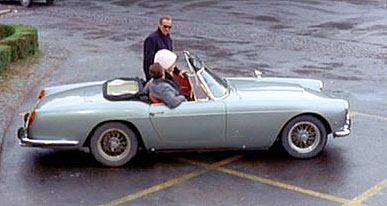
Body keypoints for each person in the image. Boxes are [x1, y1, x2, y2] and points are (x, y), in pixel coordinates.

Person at [143, 16, 176, 81]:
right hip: (155, 74)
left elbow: (170, 60)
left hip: (165, 72)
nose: (167, 29)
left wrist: (178, 71)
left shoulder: (169, 39)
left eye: (169, 27)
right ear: (159, 25)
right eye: (165, 26)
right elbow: (148, 59)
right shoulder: (151, 39)